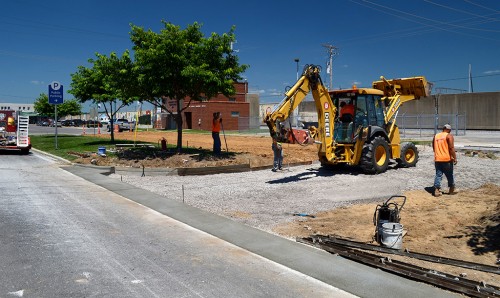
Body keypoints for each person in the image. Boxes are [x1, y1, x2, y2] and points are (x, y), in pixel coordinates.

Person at [432, 124, 457, 197]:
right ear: (448, 129)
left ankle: (436, 190)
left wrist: (437, 153)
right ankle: (451, 189)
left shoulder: (436, 136)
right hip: (447, 159)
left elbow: (433, 146)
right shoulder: (449, 136)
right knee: (449, 174)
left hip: (438, 159)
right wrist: (454, 158)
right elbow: (451, 148)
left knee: (438, 174)